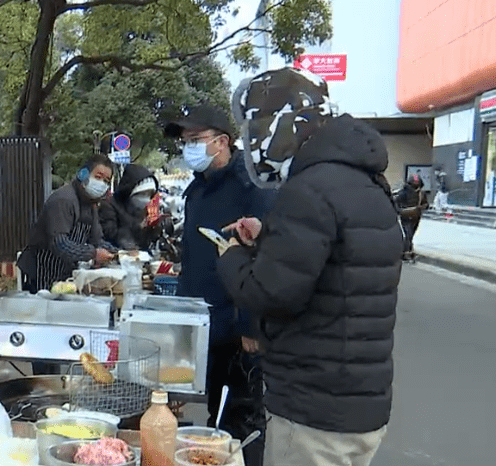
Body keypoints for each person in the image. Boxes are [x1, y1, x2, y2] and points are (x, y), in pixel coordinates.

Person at [217, 67, 402, 466]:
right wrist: (269, 239)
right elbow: (339, 265)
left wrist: (231, 255)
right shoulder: (366, 181)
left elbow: (271, 293)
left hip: (312, 408)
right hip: (361, 403)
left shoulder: (308, 189)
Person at [164, 104, 275, 466]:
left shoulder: (251, 186)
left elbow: (268, 258)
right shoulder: (199, 188)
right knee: (216, 416)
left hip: (238, 326)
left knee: (240, 421)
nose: (188, 148)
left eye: (195, 139)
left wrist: (251, 322)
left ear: (222, 142)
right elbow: (193, 259)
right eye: (185, 141)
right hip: (202, 323)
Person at [18, 154, 117, 293]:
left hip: (65, 273)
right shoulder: (64, 200)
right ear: (83, 174)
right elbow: (60, 244)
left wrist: (118, 253)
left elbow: (96, 240)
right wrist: (93, 253)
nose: (101, 184)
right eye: (98, 177)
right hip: (41, 271)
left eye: (106, 181)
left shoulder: (90, 205)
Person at [100, 164, 171, 251]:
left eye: (150, 194)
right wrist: (138, 227)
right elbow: (110, 234)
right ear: (130, 191)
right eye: (143, 194)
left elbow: (143, 242)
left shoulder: (140, 209)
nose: (146, 199)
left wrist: (152, 230)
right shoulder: (109, 205)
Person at [395, 174, 428, 261]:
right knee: (408, 234)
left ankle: (406, 251)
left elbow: (426, 204)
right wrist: (400, 210)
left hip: (416, 217)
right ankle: (407, 252)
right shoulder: (404, 192)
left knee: (410, 235)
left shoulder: (421, 193)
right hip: (406, 216)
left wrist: (422, 207)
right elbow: (396, 203)